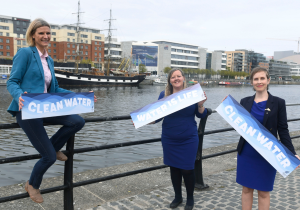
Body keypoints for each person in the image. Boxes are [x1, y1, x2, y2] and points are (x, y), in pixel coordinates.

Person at [6, 18, 96, 203]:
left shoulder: (49, 60)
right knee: (48, 157)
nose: (46, 36)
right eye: (41, 33)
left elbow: (54, 89)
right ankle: (32, 184)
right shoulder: (25, 53)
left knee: (77, 121)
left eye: (48, 33)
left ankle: (54, 148)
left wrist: (80, 97)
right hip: (28, 110)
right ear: (33, 35)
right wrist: (19, 96)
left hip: (46, 107)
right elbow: (12, 81)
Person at [235, 67, 300, 210]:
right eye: (256, 79)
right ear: (252, 82)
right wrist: (228, 108)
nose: (259, 82)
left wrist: (291, 152)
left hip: (268, 154)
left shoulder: (278, 103)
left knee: (264, 191)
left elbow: (283, 130)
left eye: (262, 78)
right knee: (246, 189)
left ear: (268, 80)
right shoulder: (244, 101)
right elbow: (238, 124)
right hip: (247, 153)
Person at [154, 68, 207, 210]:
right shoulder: (164, 95)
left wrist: (201, 104)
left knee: (188, 169)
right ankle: (178, 197)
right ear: (169, 80)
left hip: (188, 138)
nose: (176, 79)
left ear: (184, 78)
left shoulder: (192, 94)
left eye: (178, 76)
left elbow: (201, 115)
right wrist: (143, 120)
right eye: (173, 77)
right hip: (169, 138)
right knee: (174, 169)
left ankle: (190, 199)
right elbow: (157, 116)